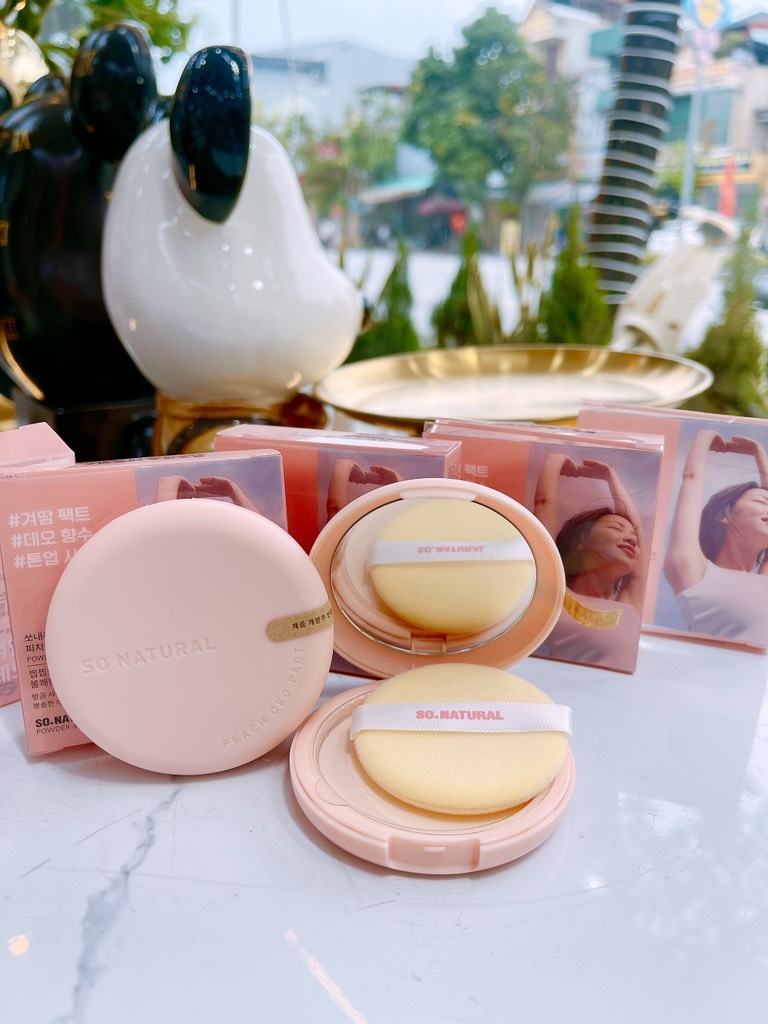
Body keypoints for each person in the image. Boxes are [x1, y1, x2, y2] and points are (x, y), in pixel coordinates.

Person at [533, 453, 646, 671]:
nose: (632, 539)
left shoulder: (629, 606)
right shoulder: (554, 596)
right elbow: (542, 503)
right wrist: (556, 460)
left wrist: (610, 476)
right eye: (616, 528)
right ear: (580, 542)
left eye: (633, 537)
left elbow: (638, 529)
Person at [663, 430, 768, 645]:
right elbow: (691, 478)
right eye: (761, 502)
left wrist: (759, 452)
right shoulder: (694, 571)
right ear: (724, 515)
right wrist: (706, 436)